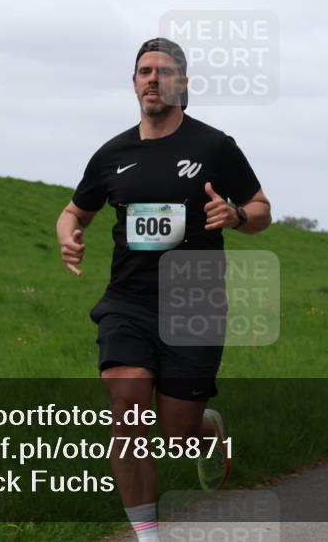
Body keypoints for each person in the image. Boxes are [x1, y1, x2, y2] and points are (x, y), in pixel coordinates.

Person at [56, 38, 271, 541]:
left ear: (183, 85)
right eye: (145, 71)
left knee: (176, 435)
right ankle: (148, 536)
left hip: (193, 299)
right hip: (127, 302)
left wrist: (236, 215)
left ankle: (206, 431)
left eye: (164, 71)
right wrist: (69, 235)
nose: (153, 78)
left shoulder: (214, 146)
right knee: (127, 416)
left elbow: (262, 209)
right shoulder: (112, 154)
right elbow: (74, 210)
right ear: (134, 83)